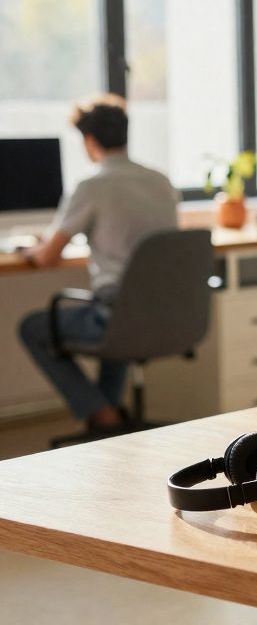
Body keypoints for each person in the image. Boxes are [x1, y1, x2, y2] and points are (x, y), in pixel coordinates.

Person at [17, 94, 178, 433]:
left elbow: (47, 256)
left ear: (89, 141)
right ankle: (108, 422)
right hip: (166, 311)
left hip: (118, 315)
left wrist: (29, 250)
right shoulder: (161, 182)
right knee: (115, 317)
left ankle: (102, 414)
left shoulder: (92, 186)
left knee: (32, 327)